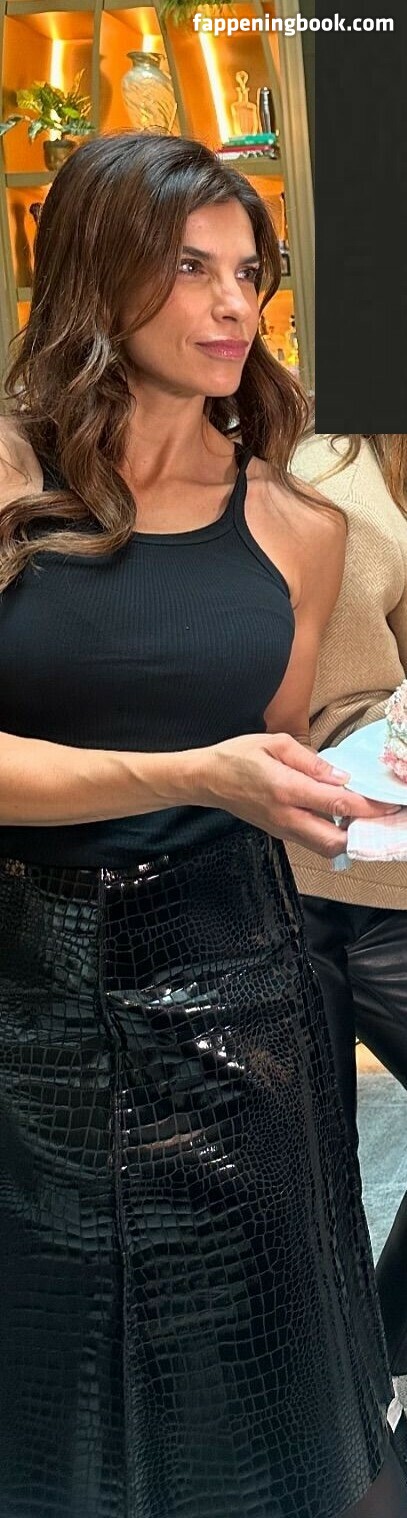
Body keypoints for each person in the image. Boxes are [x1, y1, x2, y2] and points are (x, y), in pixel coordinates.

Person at [0, 134, 405, 1518]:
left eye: (250, 272)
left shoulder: (295, 525)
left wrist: (345, 792)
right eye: (189, 268)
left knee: (257, 1389)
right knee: (51, 1388)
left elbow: (267, 760)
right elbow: (210, 767)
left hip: (243, 990)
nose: (235, 305)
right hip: (26, 996)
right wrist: (191, 772)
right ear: (96, 270)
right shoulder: (8, 476)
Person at [289, 429, 407, 1459]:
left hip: (380, 868)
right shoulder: (328, 473)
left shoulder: (354, 470)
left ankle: (384, 1351)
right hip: (277, 872)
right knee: (304, 1179)